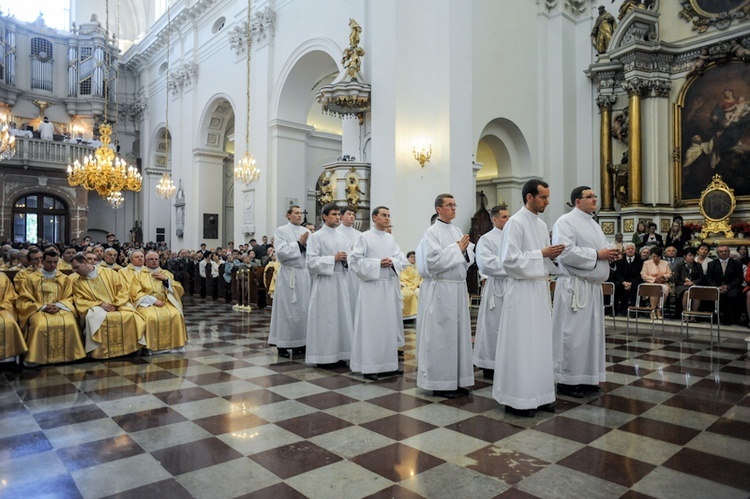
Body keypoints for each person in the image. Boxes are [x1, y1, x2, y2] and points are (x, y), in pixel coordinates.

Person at [492, 179, 564, 417]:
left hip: (539, 290)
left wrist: (554, 260)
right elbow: (509, 261)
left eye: (547, 197)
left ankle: (540, 395)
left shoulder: (542, 225)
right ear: (529, 197)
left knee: (540, 343)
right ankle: (518, 399)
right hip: (521, 291)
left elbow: (543, 259)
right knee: (521, 344)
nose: (547, 201)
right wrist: (541, 253)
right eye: (543, 197)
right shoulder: (515, 223)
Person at [551, 187, 618, 398]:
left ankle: (588, 378)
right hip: (574, 288)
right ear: (577, 202)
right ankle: (567, 380)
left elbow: (601, 250)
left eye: (595, 196)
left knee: (591, 335)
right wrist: (598, 254)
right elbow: (565, 252)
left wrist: (611, 254)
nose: (595, 199)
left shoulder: (593, 223)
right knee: (572, 335)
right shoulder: (565, 221)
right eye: (589, 197)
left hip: (592, 288)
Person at [415, 193, 475, 399]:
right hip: (442, 290)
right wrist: (457, 248)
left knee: (458, 335)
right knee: (442, 336)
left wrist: (465, 252)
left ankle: (456, 379)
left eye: (455, 205)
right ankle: (440, 382)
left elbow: (468, 259)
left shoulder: (457, 230)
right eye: (449, 205)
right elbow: (432, 262)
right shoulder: (431, 233)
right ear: (438, 209)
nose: (454, 209)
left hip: (458, 288)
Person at [350, 206, 408, 380]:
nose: (387, 218)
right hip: (372, 288)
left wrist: (393, 262)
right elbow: (355, 261)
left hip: (388, 286)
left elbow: (402, 259)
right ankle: (371, 366)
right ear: (374, 218)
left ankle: (388, 364)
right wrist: (377, 264)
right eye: (383, 215)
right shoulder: (364, 237)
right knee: (372, 327)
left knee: (389, 326)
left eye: (389, 216)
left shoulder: (390, 238)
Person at [16, 250, 86, 365]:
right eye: (49, 262)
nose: (52, 265)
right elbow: (24, 300)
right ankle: (36, 358)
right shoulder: (31, 278)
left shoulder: (64, 278)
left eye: (55, 262)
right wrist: (43, 307)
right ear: (42, 261)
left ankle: (72, 356)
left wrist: (58, 306)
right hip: (38, 310)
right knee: (40, 325)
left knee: (70, 323)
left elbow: (70, 297)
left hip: (61, 308)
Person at [304, 203, 353, 367]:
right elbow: (311, 262)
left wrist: (347, 260)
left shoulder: (342, 237)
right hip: (325, 283)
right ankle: (324, 357)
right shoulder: (316, 237)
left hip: (341, 281)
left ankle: (340, 354)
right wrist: (333, 259)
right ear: (324, 216)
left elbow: (350, 260)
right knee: (326, 319)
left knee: (341, 318)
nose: (337, 217)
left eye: (339, 214)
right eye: (334, 214)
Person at [71, 254, 146, 359]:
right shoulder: (77, 282)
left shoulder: (109, 272)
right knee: (93, 318)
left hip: (118, 303)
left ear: (84, 263)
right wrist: (100, 304)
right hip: (96, 307)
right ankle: (98, 352)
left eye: (76, 267)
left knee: (131, 316)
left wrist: (116, 304)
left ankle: (131, 349)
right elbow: (80, 300)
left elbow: (123, 289)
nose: (74, 271)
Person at [472, 204, 510, 380]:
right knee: (493, 326)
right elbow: (486, 264)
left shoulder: (513, 237)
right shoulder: (486, 239)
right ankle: (490, 364)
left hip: (512, 286)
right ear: (494, 220)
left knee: (509, 326)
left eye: (509, 216)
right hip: (496, 287)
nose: (508, 220)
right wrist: (513, 265)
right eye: (504, 217)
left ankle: (508, 361)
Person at [268, 205, 312, 357]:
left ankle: (300, 342)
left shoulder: (307, 232)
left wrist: (306, 246)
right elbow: (281, 252)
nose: (299, 215)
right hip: (288, 275)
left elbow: (312, 253)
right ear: (288, 215)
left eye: (301, 213)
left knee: (303, 310)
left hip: (303, 275)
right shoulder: (281, 231)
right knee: (286, 310)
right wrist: (299, 243)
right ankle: (283, 344)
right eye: (296, 213)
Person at [131, 251, 188, 353]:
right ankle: (152, 348)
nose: (154, 261)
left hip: (166, 302)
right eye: (151, 259)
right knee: (150, 317)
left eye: (156, 259)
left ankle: (175, 346)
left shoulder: (166, 273)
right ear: (146, 261)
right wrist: (153, 300)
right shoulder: (138, 275)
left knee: (176, 314)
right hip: (147, 303)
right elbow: (135, 292)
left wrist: (166, 280)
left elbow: (179, 289)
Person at [706, 245, 743, 325]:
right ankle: (715, 318)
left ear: (729, 252)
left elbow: (739, 279)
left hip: (731, 287)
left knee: (732, 295)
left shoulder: (737, 264)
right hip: (716, 287)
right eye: (721, 251)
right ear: (717, 253)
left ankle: (729, 319)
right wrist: (717, 287)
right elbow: (709, 279)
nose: (723, 253)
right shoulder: (711, 264)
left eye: (725, 251)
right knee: (713, 294)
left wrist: (727, 286)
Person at [337, 205, 362, 315]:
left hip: (356, 273)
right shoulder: (336, 232)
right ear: (341, 216)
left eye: (353, 215)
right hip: (343, 271)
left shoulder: (360, 234)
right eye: (349, 214)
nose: (352, 216)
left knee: (355, 300)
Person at [0, 271, 28, 363]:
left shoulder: (3, 277)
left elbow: (11, 296)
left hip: (2, 308)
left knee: (9, 322)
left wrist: (3, 305)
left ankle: (8, 360)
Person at [640, 246, 672, 319]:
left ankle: (659, 310)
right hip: (650, 283)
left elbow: (669, 274)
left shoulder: (665, 263)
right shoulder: (646, 263)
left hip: (662, 283)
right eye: (654, 256)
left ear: (660, 256)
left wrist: (662, 277)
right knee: (655, 289)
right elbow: (643, 275)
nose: (655, 258)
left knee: (662, 289)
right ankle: (653, 310)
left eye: (657, 257)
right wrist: (655, 279)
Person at [672, 247, 704, 315]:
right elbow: (676, 279)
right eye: (690, 255)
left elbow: (701, 278)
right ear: (684, 256)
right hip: (682, 286)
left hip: (694, 285)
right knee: (687, 292)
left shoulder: (698, 265)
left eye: (693, 256)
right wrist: (685, 283)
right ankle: (686, 313)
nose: (692, 257)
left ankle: (693, 315)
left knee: (696, 292)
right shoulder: (679, 265)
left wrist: (693, 282)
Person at [614, 242, 643, 314]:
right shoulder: (619, 262)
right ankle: (617, 310)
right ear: (624, 251)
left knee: (636, 286)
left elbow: (640, 274)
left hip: (634, 281)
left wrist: (631, 283)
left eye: (632, 249)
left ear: (635, 250)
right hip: (623, 282)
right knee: (616, 285)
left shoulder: (641, 262)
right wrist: (624, 282)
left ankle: (634, 311)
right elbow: (618, 274)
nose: (630, 250)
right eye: (628, 249)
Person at [400, 251, 422, 319]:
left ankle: (420, 314)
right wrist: (413, 285)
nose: (414, 258)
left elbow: (421, 278)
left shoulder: (417, 268)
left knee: (422, 292)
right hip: (408, 286)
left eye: (415, 257)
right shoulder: (405, 267)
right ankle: (413, 315)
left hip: (416, 286)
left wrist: (419, 284)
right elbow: (403, 278)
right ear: (407, 258)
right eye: (412, 257)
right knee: (416, 293)